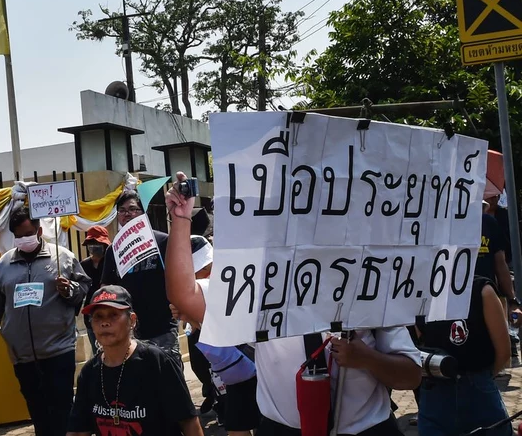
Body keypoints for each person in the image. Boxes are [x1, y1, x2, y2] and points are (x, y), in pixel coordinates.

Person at [164, 172, 422, 436]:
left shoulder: (370, 286)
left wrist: (369, 358)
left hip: (367, 429)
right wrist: (182, 219)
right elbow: (184, 295)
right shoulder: (257, 287)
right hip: (282, 429)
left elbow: (412, 374)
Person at [0, 205, 92, 436]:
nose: (24, 239)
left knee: (61, 409)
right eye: (19, 236)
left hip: (58, 350)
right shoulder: (3, 265)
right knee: (37, 410)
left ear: (39, 231)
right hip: (22, 355)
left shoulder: (63, 257)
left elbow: (84, 289)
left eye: (28, 234)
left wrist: (70, 290)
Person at [68, 285, 203, 436]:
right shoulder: (89, 372)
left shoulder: (156, 362)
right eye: (98, 316)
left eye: (113, 315)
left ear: (132, 320)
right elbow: (78, 430)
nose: (105, 323)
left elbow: (188, 421)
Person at [180, 235, 260, 436]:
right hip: (232, 372)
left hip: (254, 363)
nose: (204, 277)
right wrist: (191, 317)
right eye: (197, 273)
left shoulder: (239, 280)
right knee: (238, 425)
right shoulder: (198, 292)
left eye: (205, 270)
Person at [101, 191, 187, 370]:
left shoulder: (162, 241)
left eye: (133, 209)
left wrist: (179, 303)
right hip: (129, 331)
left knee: (170, 379)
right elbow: (107, 288)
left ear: (143, 213)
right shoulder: (113, 250)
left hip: (162, 326)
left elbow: (179, 276)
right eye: (122, 210)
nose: (127, 214)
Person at [417, 275, 512, 436]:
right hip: (435, 394)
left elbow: (504, 352)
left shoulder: (482, 290)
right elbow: (422, 343)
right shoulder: (419, 292)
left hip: (478, 393)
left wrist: (481, 378)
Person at [80, 225, 111, 354]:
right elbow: (79, 289)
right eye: (91, 243)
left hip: (110, 312)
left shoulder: (111, 262)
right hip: (91, 315)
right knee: (97, 352)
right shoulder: (84, 265)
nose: (94, 246)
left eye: (97, 243)